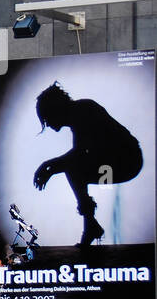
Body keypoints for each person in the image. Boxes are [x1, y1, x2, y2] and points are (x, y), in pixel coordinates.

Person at [31, 82, 144, 246]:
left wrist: (47, 166)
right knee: (72, 166)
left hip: (128, 159)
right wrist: (49, 167)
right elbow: (80, 154)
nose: (47, 125)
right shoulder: (78, 114)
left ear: (55, 109)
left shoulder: (82, 110)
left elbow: (80, 153)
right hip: (119, 161)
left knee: (72, 166)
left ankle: (90, 226)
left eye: (47, 119)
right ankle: (90, 225)